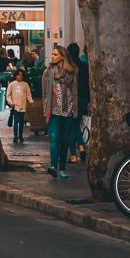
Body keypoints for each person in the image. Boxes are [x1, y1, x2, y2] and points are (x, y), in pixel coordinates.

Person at [42, 43, 78, 178]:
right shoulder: (48, 73)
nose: (52, 56)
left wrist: (75, 110)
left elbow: (74, 92)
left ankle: (62, 169)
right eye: (52, 54)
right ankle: (53, 166)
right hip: (53, 111)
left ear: (63, 57)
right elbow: (45, 93)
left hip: (68, 110)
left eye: (55, 54)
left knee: (64, 140)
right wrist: (46, 110)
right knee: (54, 138)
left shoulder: (72, 74)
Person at [66, 41, 90, 163]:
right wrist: (89, 101)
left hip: (71, 100)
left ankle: (73, 156)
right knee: (76, 125)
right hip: (83, 100)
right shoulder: (85, 67)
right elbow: (88, 85)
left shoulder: (68, 67)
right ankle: (81, 147)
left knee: (71, 127)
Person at [5, 67, 33, 144]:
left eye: (21, 75)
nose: (20, 76)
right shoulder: (12, 84)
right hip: (15, 106)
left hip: (23, 106)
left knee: (21, 122)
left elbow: (28, 95)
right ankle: (15, 136)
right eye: (18, 75)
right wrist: (10, 102)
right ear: (15, 76)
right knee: (16, 121)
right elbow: (8, 95)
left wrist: (31, 101)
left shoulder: (25, 85)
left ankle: (20, 135)